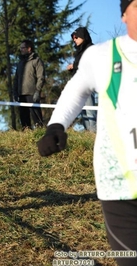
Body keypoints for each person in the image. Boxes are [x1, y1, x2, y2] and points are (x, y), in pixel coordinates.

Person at [38, 1, 137, 265]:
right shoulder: (103, 55)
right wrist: (56, 125)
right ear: (124, 14)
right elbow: (76, 90)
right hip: (120, 185)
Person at [67, 27, 97, 132]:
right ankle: (88, 133)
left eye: (76, 37)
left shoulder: (91, 49)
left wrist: (74, 66)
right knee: (82, 111)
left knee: (90, 110)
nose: (74, 40)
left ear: (83, 37)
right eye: (73, 38)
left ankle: (93, 134)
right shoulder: (78, 52)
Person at [13, 39, 45, 130]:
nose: (21, 50)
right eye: (20, 48)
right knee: (24, 119)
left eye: (23, 48)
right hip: (21, 95)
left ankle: (40, 133)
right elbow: (16, 79)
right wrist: (15, 93)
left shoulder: (36, 61)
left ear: (29, 48)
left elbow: (41, 77)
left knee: (37, 118)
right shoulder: (20, 63)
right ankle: (26, 135)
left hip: (32, 94)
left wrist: (37, 91)